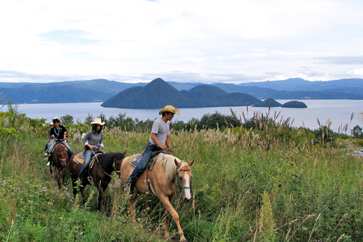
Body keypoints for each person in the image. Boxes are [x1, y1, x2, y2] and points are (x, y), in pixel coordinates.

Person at [124, 105, 180, 191]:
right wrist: (160, 145)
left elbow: (167, 137)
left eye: (173, 114)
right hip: (152, 147)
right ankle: (129, 181)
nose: (173, 116)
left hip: (160, 149)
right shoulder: (157, 122)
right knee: (142, 165)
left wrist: (169, 148)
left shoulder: (167, 123)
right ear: (165, 113)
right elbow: (153, 136)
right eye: (171, 114)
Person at [77, 118, 105, 183]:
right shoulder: (90, 132)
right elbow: (84, 139)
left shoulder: (101, 133)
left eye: (99, 126)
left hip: (97, 149)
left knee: (104, 159)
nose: (98, 127)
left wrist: (101, 145)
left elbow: (101, 141)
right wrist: (89, 145)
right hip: (90, 150)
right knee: (86, 162)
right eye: (97, 126)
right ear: (94, 126)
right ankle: (80, 176)